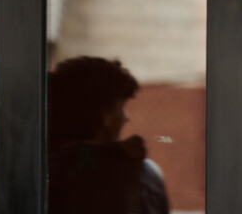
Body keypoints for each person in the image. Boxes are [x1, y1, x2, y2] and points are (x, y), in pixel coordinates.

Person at [48, 56, 169, 214]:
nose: (127, 118)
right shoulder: (142, 175)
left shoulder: (40, 171)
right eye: (122, 107)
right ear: (106, 116)